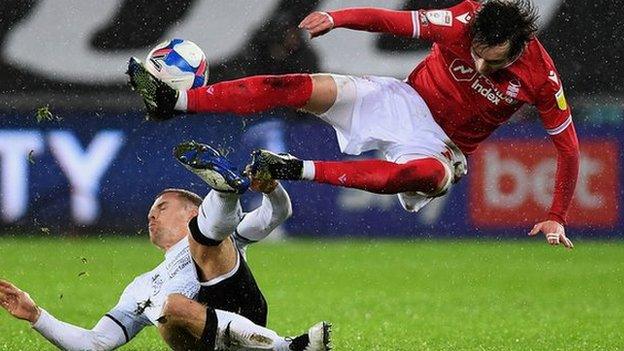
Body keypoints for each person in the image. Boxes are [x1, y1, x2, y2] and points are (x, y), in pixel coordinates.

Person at [126, 0, 577, 249]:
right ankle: (177, 100)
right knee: (295, 86)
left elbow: (569, 149)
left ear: (518, 46)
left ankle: (292, 167)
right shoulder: (463, 19)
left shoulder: (542, 77)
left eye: (492, 61)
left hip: (444, 145)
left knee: (421, 176)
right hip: (400, 98)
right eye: (475, 52)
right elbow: (391, 21)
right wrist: (337, 18)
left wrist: (556, 215)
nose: (479, 64)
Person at [0, 141, 331, 351]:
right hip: (203, 342)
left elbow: (278, 213)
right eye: (150, 210)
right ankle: (226, 190)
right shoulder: (141, 286)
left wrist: (271, 188)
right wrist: (36, 315)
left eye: (161, 207)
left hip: (243, 309)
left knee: (209, 240)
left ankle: (225, 191)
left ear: (192, 210)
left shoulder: (228, 232)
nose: (151, 214)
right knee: (169, 306)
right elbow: (95, 343)